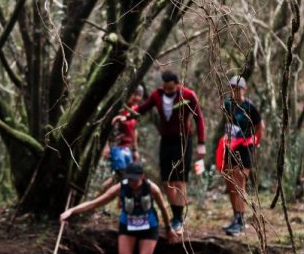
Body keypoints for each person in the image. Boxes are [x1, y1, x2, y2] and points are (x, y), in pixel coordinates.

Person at [135, 71, 206, 233]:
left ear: (176, 84)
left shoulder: (188, 96)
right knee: (167, 182)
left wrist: (201, 143)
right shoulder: (157, 95)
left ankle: (178, 219)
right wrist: (125, 114)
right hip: (166, 141)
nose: (167, 91)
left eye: (170, 88)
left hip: (183, 142)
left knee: (179, 181)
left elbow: (199, 119)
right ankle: (175, 215)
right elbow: (142, 108)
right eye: (165, 88)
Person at [217, 75, 264, 236]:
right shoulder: (227, 104)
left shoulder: (250, 107)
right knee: (230, 184)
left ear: (244, 89)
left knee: (239, 183)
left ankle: (240, 221)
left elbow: (260, 127)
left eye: (237, 88)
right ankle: (236, 217)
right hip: (229, 147)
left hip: (245, 149)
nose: (233, 91)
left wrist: (254, 143)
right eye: (231, 87)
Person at [104, 87, 143, 183]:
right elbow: (105, 128)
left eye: (139, 95)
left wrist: (135, 150)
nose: (137, 97)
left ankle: (104, 194)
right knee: (122, 173)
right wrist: (106, 147)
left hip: (127, 148)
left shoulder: (135, 110)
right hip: (115, 146)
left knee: (124, 176)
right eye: (135, 94)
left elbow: (134, 130)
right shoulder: (117, 108)